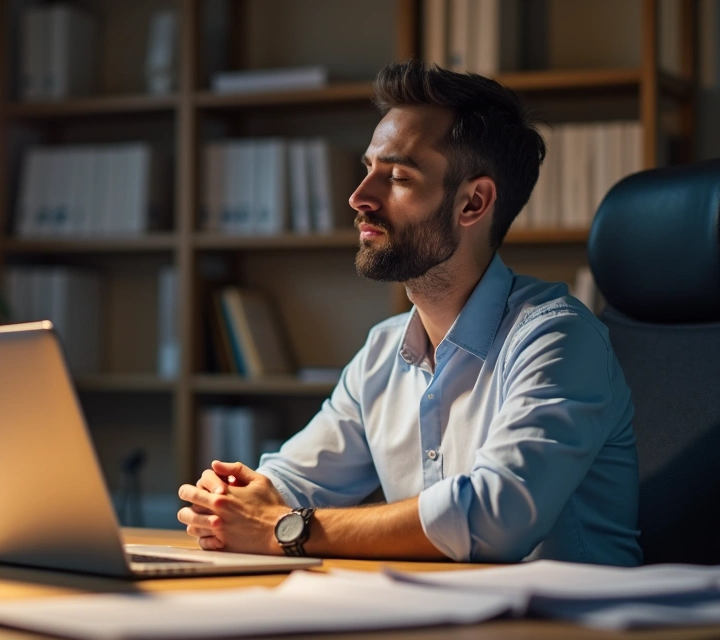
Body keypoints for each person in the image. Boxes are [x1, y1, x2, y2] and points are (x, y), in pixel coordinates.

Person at [176, 60, 642, 566]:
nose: (359, 198)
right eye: (367, 169)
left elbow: (495, 517)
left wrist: (284, 527)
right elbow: (291, 484)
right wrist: (232, 500)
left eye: (396, 176)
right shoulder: (383, 351)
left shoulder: (558, 338)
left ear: (472, 203)